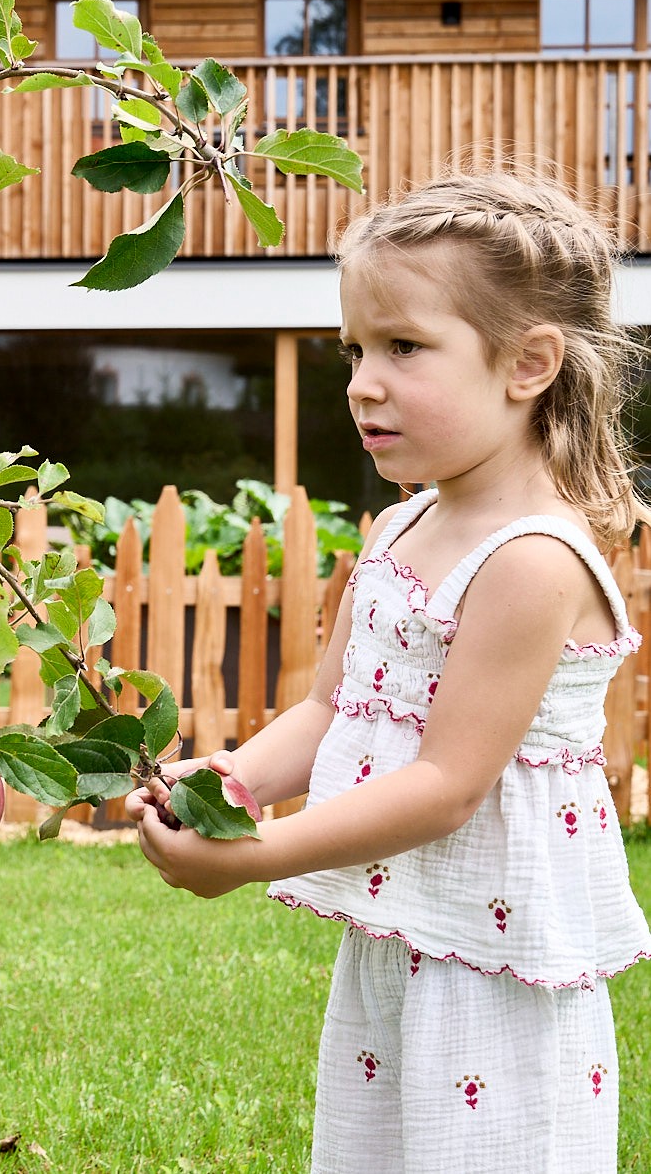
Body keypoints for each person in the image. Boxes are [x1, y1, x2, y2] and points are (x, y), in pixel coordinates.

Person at [124, 169, 651, 1173]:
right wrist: (232, 781)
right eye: (353, 349)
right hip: (402, 931)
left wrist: (256, 858)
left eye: (403, 346)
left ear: (527, 363)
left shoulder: (531, 558)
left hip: (498, 965)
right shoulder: (403, 524)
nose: (363, 380)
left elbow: (447, 786)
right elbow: (334, 707)